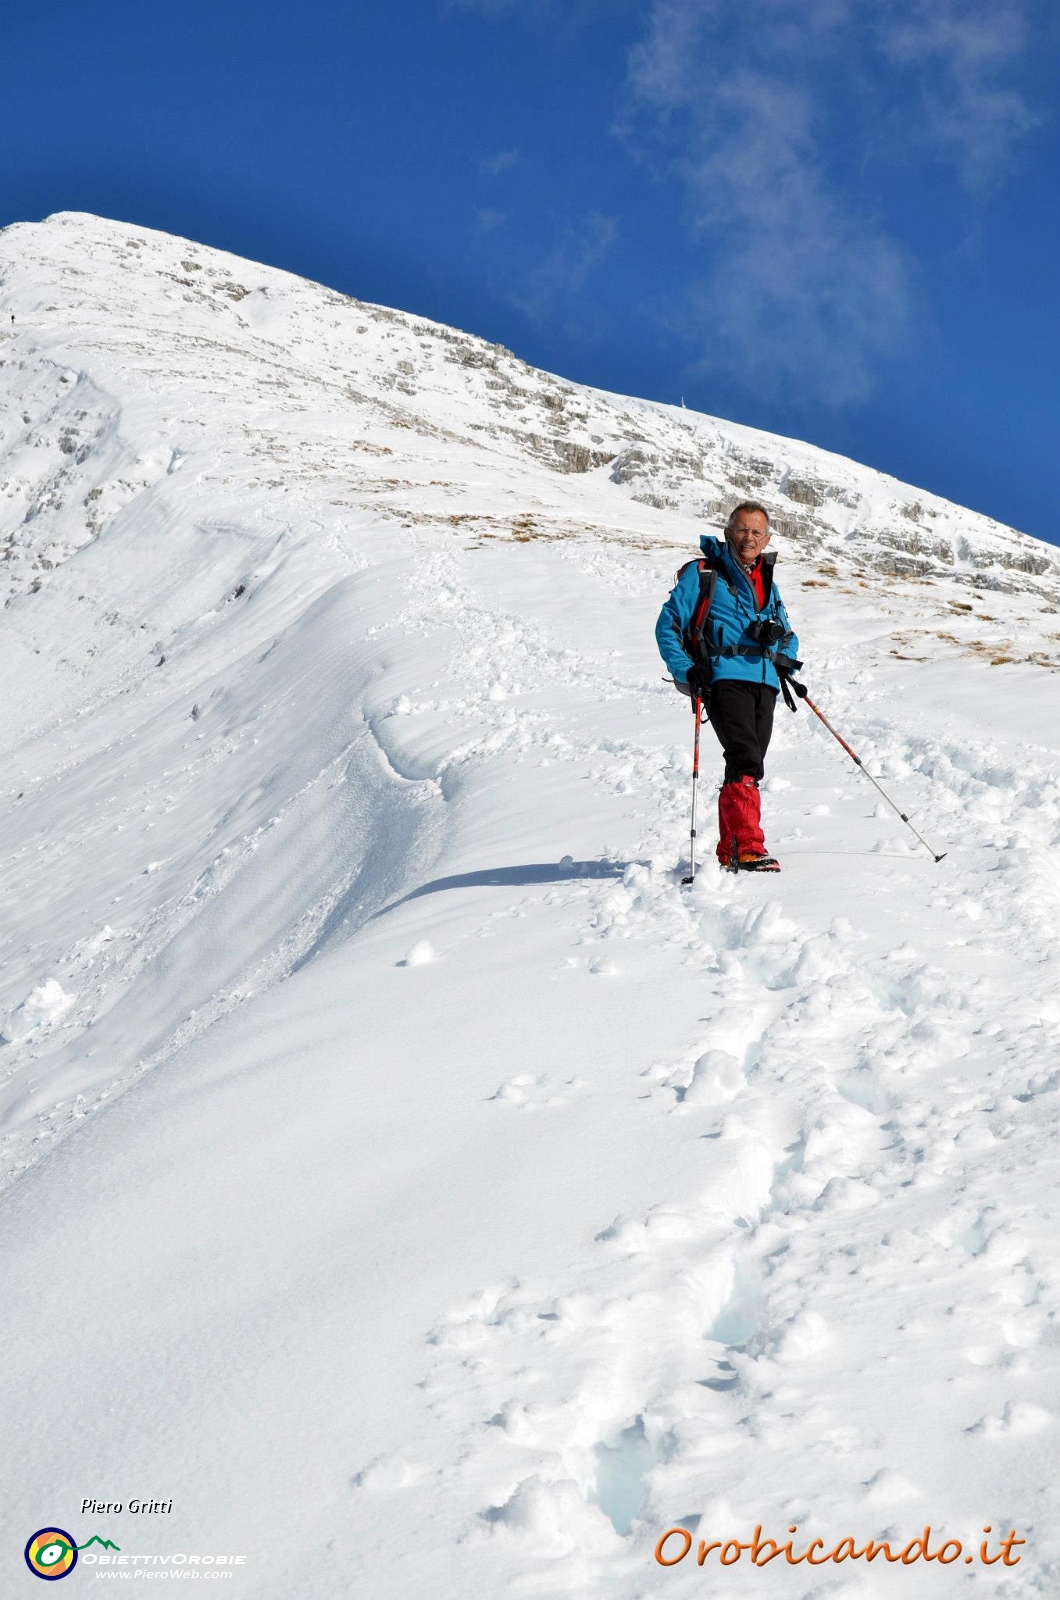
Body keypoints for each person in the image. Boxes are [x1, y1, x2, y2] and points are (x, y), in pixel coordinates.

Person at [655, 501, 801, 872]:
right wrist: (687, 671)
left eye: (756, 531)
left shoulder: (768, 581)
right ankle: (746, 848)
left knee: (750, 764)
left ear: (766, 539)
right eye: (741, 529)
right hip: (723, 677)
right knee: (744, 756)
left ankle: (732, 850)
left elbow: (787, 632)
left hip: (765, 680)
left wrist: (784, 653)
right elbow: (668, 625)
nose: (748, 537)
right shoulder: (704, 573)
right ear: (727, 533)